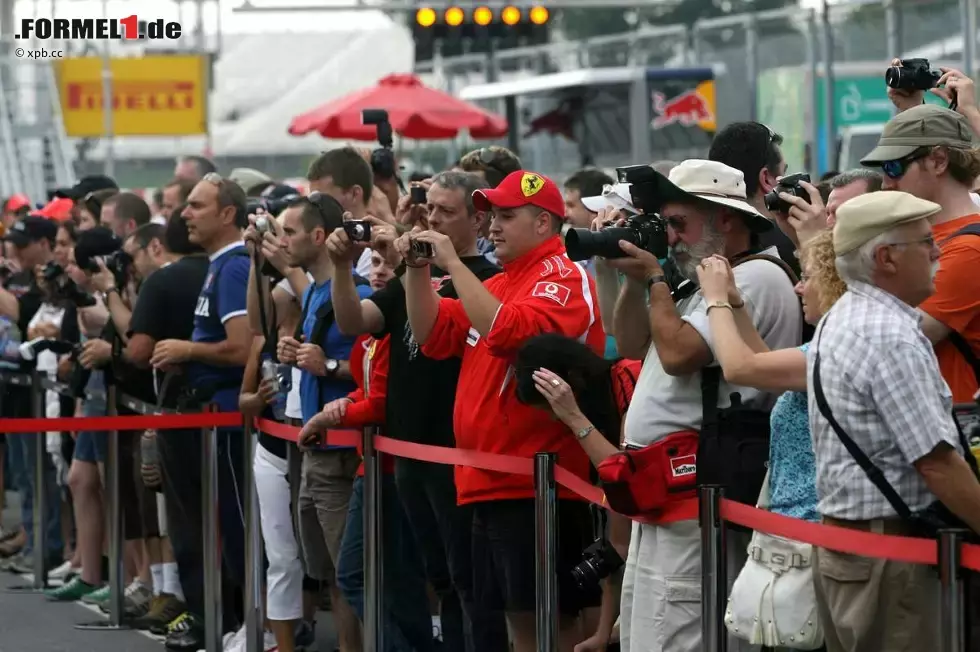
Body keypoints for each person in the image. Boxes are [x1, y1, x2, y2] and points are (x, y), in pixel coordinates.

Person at [398, 169, 604, 652]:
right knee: (515, 623)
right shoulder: (504, 280)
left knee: (549, 622)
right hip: (488, 480)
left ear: (543, 224)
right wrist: (416, 269)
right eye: (491, 215)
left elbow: (508, 332)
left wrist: (453, 261)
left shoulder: (560, 275)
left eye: (506, 216)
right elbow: (431, 332)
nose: (492, 226)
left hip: (537, 483)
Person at [602, 160, 801, 652]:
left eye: (677, 224)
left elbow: (677, 355)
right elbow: (627, 341)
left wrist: (654, 278)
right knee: (650, 633)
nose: (669, 238)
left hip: (700, 493)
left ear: (725, 218)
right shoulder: (698, 277)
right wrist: (634, 278)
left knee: (682, 633)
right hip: (664, 492)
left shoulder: (752, 277)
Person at [326, 169, 506, 652]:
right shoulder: (415, 270)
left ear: (478, 219)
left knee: (469, 584)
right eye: (430, 210)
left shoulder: (488, 281)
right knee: (439, 578)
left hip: (458, 455)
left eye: (448, 211)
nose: (435, 220)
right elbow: (353, 321)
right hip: (408, 452)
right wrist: (343, 268)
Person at [808, 191, 980, 651]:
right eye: (925, 242)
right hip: (891, 555)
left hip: (857, 548)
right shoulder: (890, 334)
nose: (938, 251)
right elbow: (937, 464)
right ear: (886, 258)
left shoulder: (844, 316)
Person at [150, 173, 251, 649]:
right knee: (217, 523)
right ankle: (230, 621)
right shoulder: (218, 264)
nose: (184, 214)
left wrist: (188, 351)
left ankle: (246, 622)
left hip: (228, 416)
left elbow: (240, 347)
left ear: (227, 213)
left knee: (234, 525)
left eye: (196, 205)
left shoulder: (233, 268)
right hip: (211, 414)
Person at [696, 228, 847, 524]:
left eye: (807, 277)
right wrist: (736, 302)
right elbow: (763, 361)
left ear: (835, 283)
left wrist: (715, 301)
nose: (798, 288)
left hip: (809, 528)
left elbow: (740, 368)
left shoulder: (836, 351)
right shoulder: (823, 345)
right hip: (795, 522)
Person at [514, 333, 641, 651]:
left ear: (571, 379)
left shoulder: (628, 377)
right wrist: (602, 633)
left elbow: (625, 476)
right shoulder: (591, 416)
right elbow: (616, 542)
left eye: (550, 408)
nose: (554, 418)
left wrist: (573, 416)